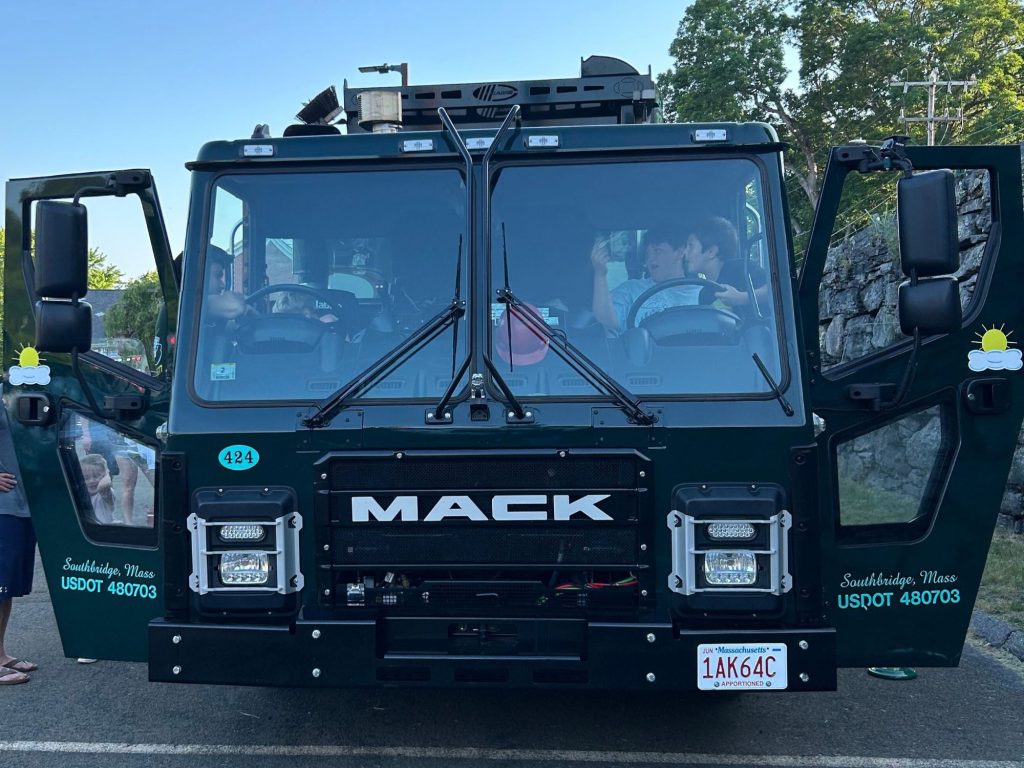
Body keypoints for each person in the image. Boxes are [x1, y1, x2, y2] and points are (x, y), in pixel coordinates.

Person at [591, 228, 700, 332]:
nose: (651, 258)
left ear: (680, 252)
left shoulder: (704, 292)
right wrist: (600, 274)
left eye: (657, 251)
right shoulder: (631, 289)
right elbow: (606, 322)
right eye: (648, 254)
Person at [0, 407, 36, 685]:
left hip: (22, 505)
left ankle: (0, 655)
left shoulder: (12, 392)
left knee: (6, 587)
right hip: (3, 508)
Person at [683, 216, 768, 316]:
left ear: (711, 252)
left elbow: (775, 290)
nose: (685, 252)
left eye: (691, 246)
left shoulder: (742, 269)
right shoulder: (705, 294)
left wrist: (741, 298)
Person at [204, 245, 249, 322]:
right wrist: (247, 306)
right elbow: (236, 306)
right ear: (200, 275)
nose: (222, 285)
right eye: (217, 275)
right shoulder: (197, 305)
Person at [80, 454, 117, 525]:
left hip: (104, 531)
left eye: (96, 476)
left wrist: (107, 472)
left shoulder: (104, 493)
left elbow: (104, 486)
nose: (92, 480)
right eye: (86, 478)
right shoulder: (82, 493)